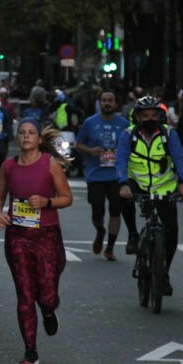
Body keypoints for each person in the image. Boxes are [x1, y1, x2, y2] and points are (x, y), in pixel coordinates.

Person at [0, 119, 73, 364]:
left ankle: (48, 311)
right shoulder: (8, 167)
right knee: (25, 294)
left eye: (31, 133)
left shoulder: (50, 165)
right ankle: (30, 351)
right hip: (17, 236)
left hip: (46, 235)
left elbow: (67, 198)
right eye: (22, 133)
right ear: (17, 138)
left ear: (39, 139)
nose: (26, 136)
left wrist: (46, 202)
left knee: (47, 295)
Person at [117, 96, 183, 295]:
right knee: (122, 198)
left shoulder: (169, 134)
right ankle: (133, 234)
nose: (150, 119)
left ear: (159, 116)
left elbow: (178, 157)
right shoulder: (128, 135)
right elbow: (122, 159)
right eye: (145, 116)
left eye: (153, 115)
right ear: (138, 117)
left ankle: (164, 273)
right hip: (138, 184)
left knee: (172, 233)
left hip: (164, 187)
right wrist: (124, 183)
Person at [75, 90, 129, 260]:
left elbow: (132, 146)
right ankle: (100, 231)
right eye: (104, 100)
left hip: (116, 175)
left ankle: (110, 247)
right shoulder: (90, 123)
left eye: (110, 100)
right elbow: (78, 144)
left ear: (115, 104)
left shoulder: (124, 124)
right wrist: (90, 151)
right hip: (95, 175)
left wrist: (122, 153)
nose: (107, 103)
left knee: (115, 212)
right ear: (100, 103)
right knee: (97, 212)